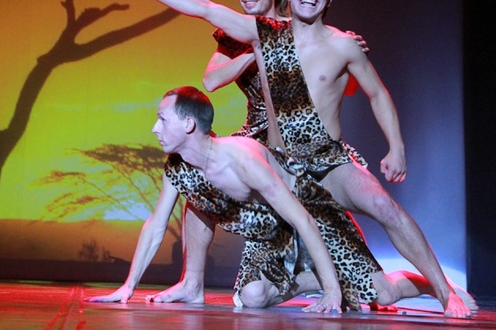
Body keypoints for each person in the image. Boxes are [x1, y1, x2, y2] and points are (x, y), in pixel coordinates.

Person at [110, 0, 476, 318]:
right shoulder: (264, 34)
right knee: (245, 281)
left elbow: (375, 93)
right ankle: (202, 282)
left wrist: (396, 147)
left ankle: (442, 289)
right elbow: (205, 9)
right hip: (278, 161)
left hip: (327, 161)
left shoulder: (342, 44)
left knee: (383, 214)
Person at [88, 87, 468, 314]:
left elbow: (303, 219)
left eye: (161, 119)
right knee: (252, 298)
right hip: (273, 234)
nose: (154, 128)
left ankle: (431, 285)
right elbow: (156, 225)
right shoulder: (179, 167)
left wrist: (333, 293)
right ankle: (312, 280)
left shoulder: (242, 159)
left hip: (312, 214)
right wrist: (128, 287)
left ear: (188, 124)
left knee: (380, 293)